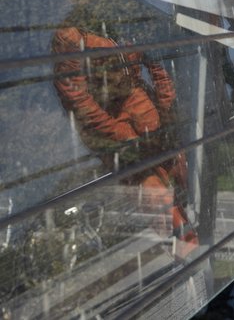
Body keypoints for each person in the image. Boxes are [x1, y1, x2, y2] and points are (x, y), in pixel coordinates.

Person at [52, 26, 198, 257]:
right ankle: (189, 257)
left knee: (181, 178)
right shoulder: (72, 35)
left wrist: (165, 109)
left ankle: (195, 250)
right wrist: (122, 134)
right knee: (155, 196)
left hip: (146, 119)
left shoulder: (117, 19)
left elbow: (155, 62)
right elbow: (76, 99)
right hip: (114, 131)